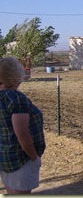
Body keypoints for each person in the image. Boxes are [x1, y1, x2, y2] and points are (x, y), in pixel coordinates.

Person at [0, 57, 46, 194]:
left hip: (5, 158)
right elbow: (22, 134)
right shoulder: (17, 99)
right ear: (16, 76)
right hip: (21, 160)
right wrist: (34, 157)